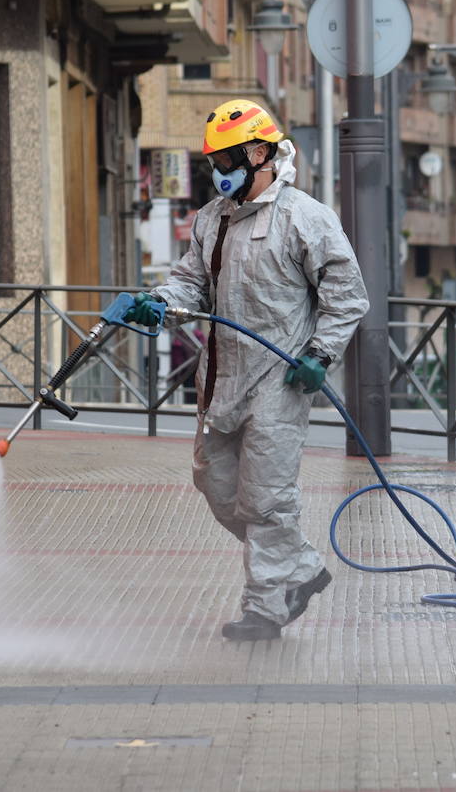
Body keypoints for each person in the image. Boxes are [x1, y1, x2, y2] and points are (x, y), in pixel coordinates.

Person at [117, 99, 369, 641]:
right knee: (215, 482)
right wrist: (158, 300)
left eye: (228, 158)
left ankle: (265, 608)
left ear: (259, 153)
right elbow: (191, 284)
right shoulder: (212, 220)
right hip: (221, 378)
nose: (219, 170)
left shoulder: (306, 217)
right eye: (216, 160)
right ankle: (299, 566)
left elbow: (347, 297)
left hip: (281, 380)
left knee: (265, 497)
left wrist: (319, 356)